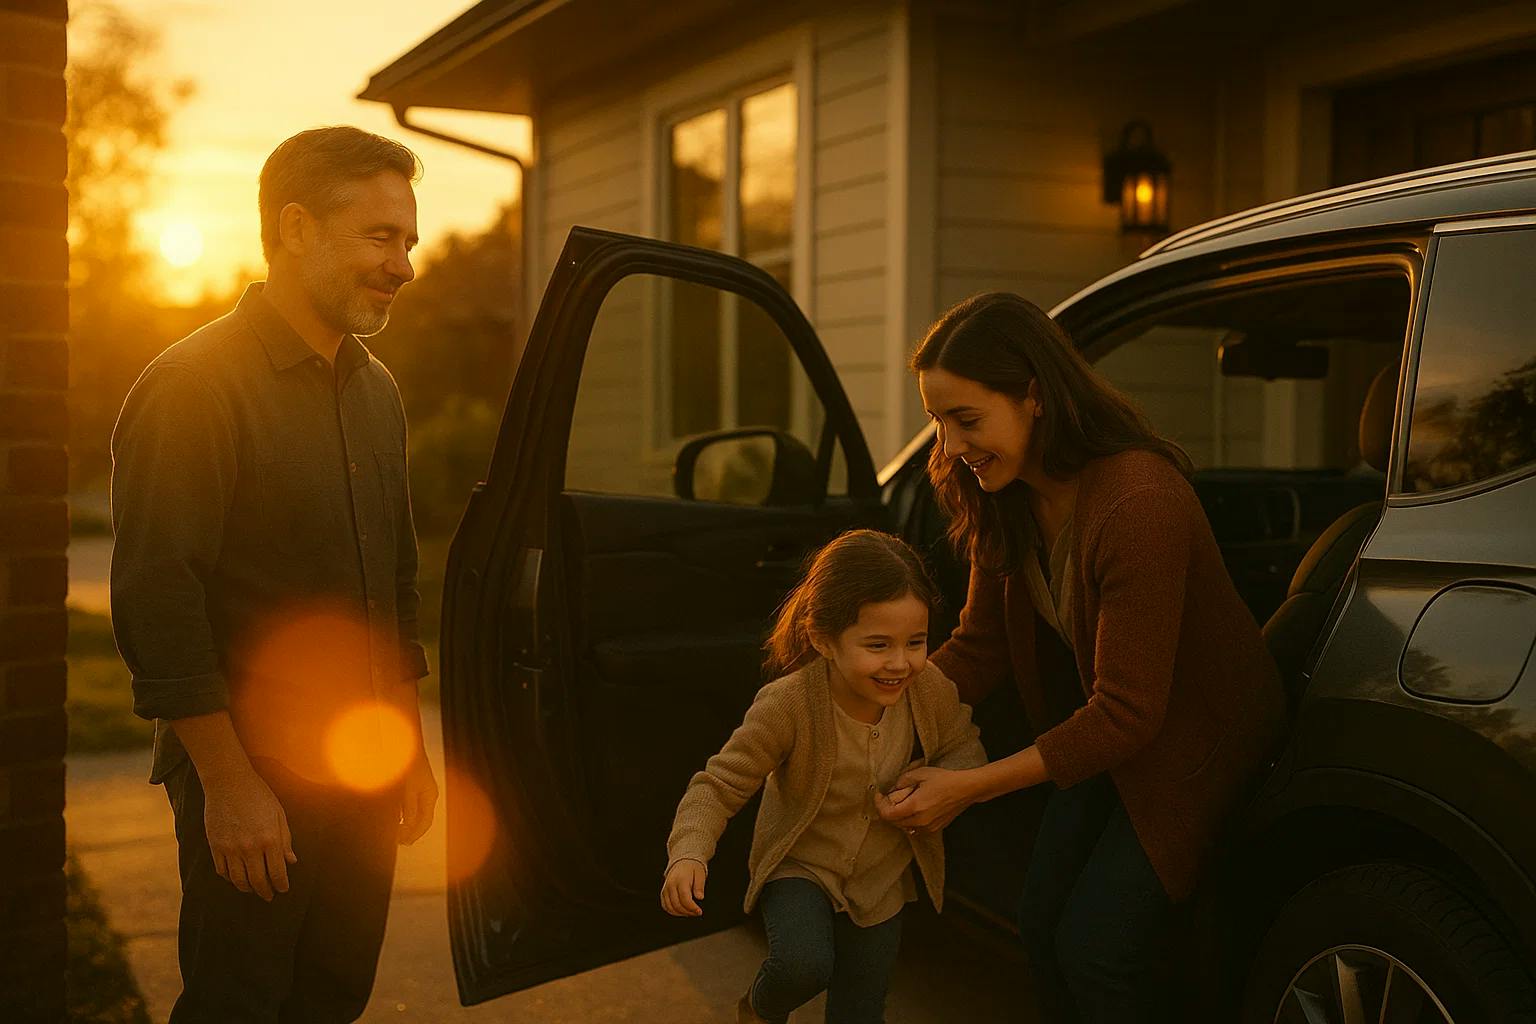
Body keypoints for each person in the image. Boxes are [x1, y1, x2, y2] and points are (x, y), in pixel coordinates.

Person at [879, 293, 1287, 1022]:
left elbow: (1130, 713)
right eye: (937, 421)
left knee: (1097, 949)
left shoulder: (1138, 502)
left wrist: (962, 786)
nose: (947, 446)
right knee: (1040, 927)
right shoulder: (1003, 495)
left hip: (1195, 746)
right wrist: (875, 710)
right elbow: (980, 647)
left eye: (966, 420)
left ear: (1034, 397)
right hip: (1108, 737)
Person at [109, 126, 437, 1023]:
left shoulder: (377, 392)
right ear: (295, 229)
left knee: (333, 999)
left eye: (408, 239)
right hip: (256, 773)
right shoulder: (193, 386)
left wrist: (404, 739)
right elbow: (155, 595)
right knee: (240, 1005)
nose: (403, 264)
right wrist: (228, 782)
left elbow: (393, 584)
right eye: (379, 236)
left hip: (362, 768)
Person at [662, 530, 987, 1024]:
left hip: (882, 880)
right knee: (803, 965)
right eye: (878, 645)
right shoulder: (790, 705)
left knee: (860, 1009)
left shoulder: (929, 689)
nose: (900, 663)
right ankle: (758, 1009)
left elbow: (967, 747)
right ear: (823, 639)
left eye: (915, 642)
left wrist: (942, 779)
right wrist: (689, 852)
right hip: (801, 866)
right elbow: (718, 785)